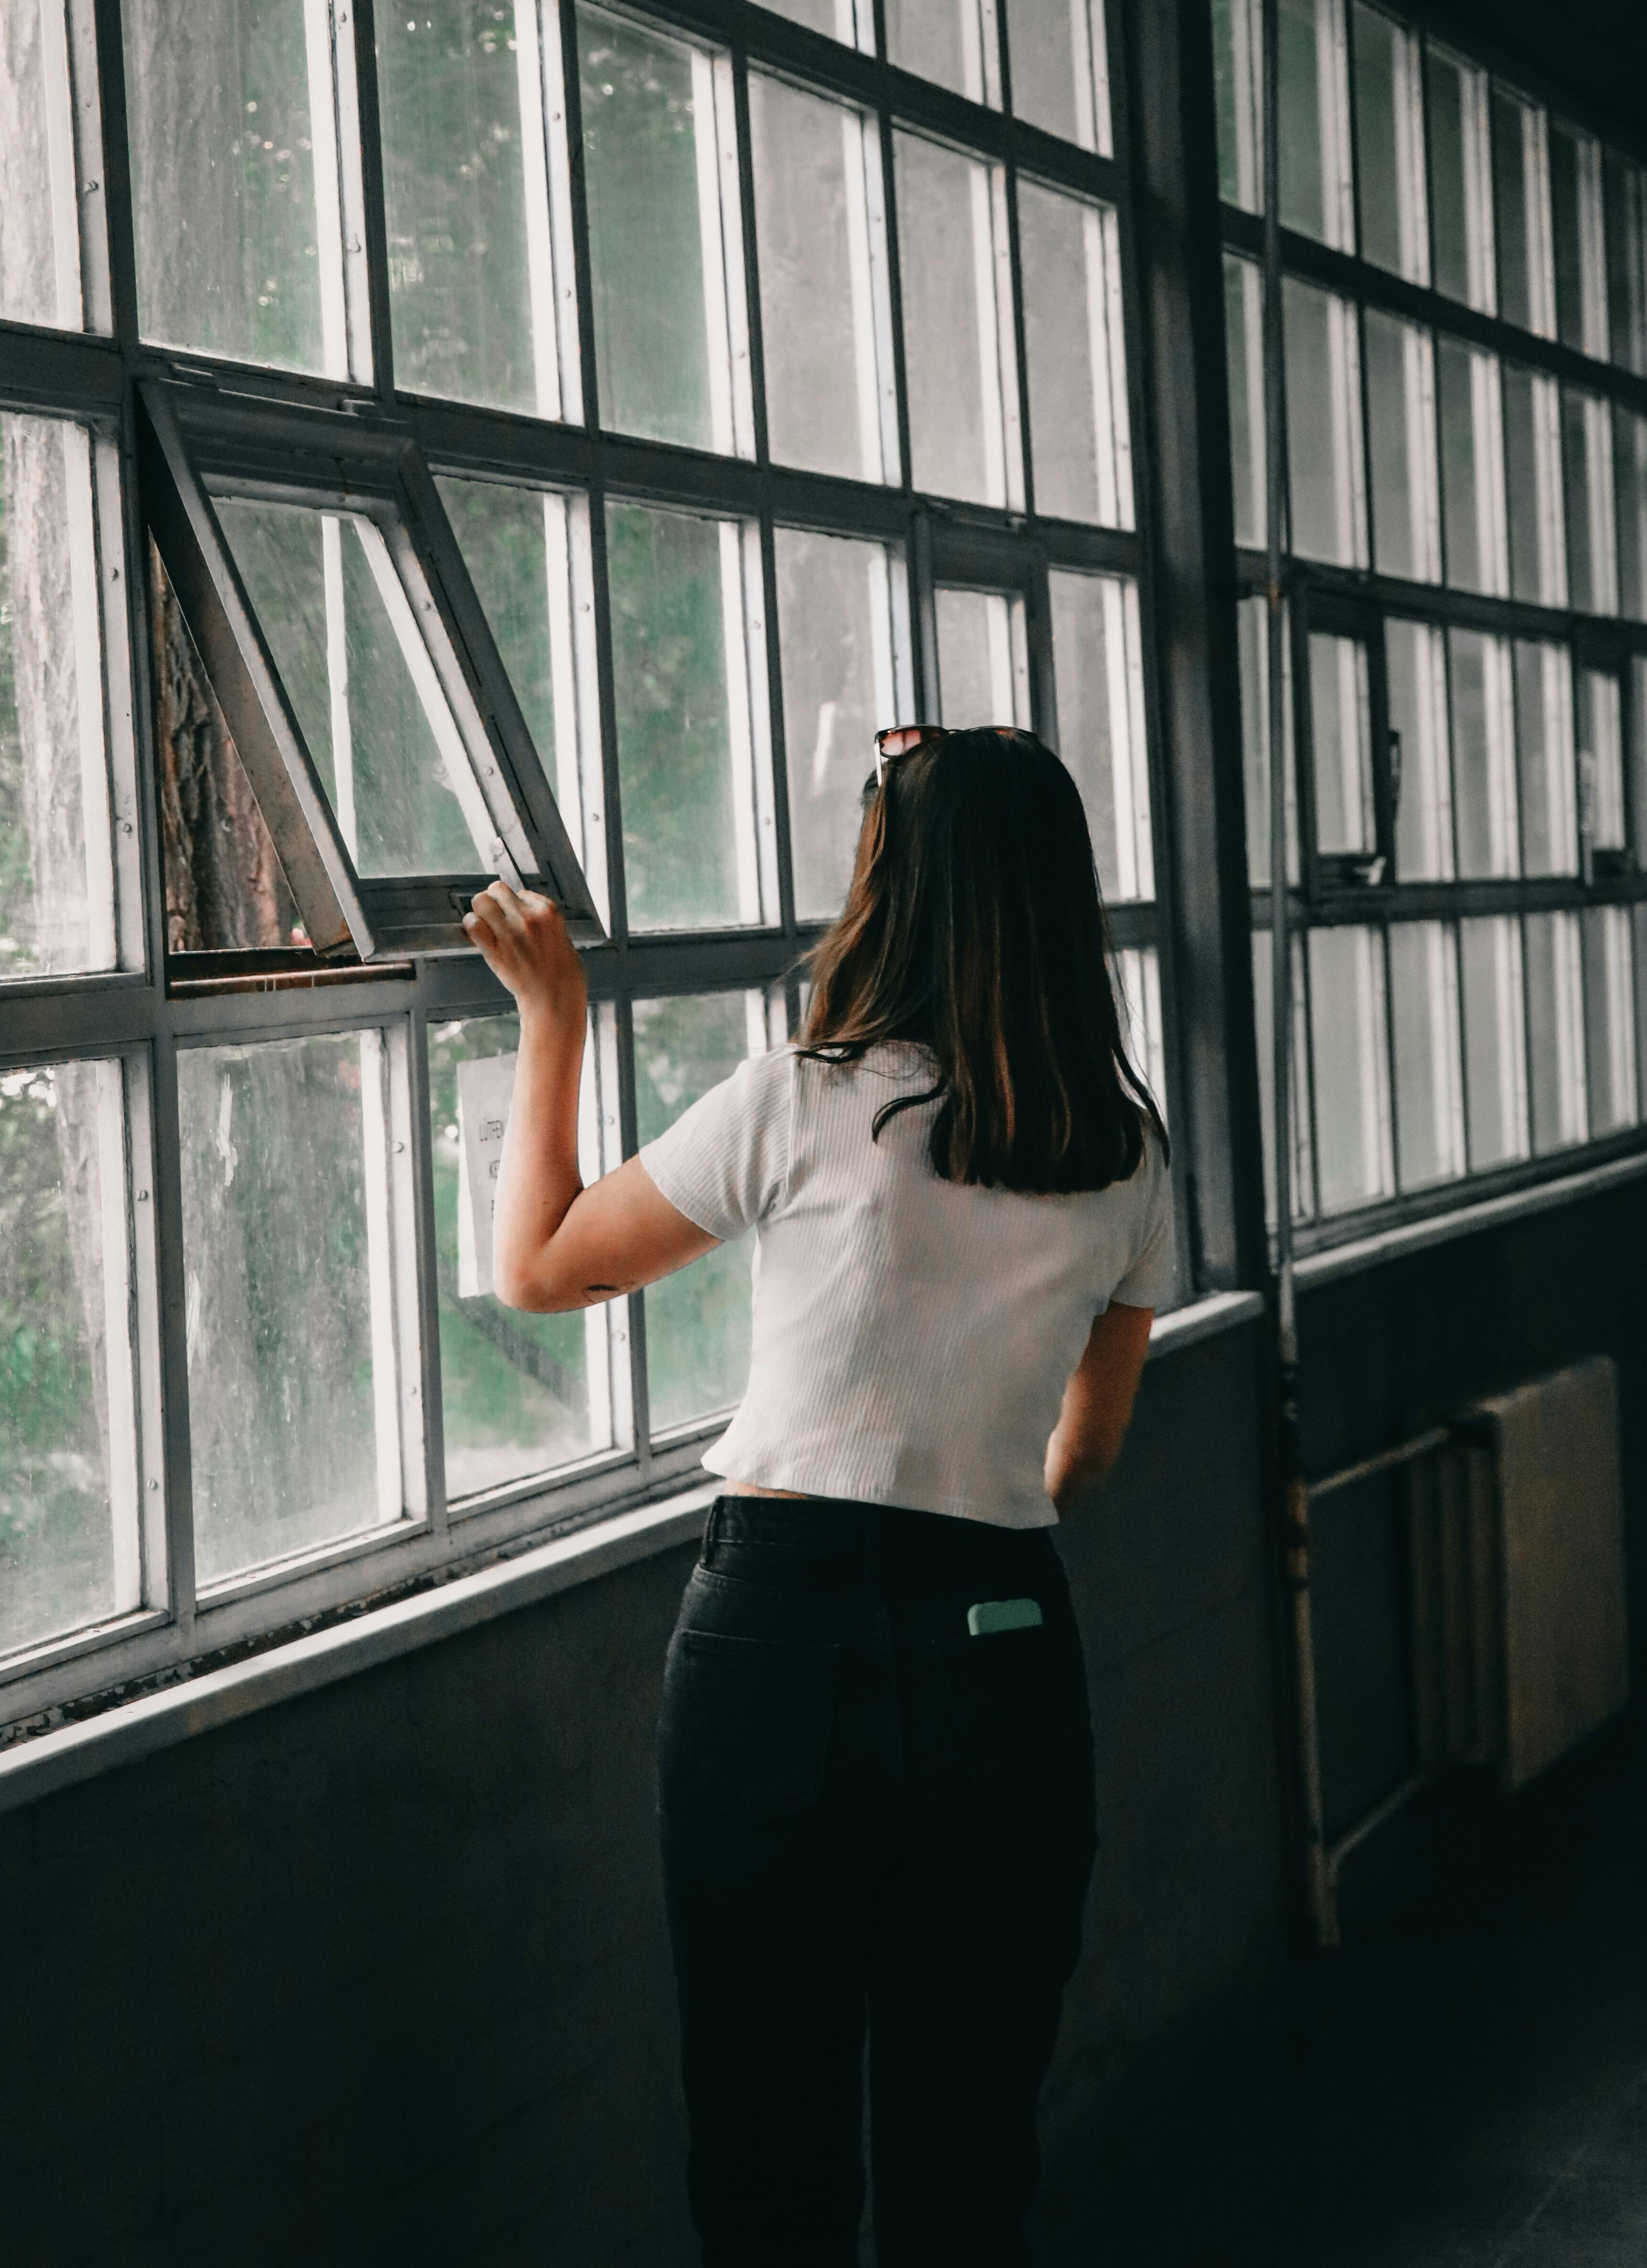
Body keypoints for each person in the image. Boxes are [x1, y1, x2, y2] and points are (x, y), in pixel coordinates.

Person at [464, 725, 1173, 2268]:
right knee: (967, 2152)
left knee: (767, 2146)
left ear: (889, 892)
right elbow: (1087, 1456)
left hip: (778, 1648)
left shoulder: (808, 1099)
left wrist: (554, 1019)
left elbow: (535, 1270)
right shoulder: (1123, 1151)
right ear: (1061, 899)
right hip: (1003, 1652)